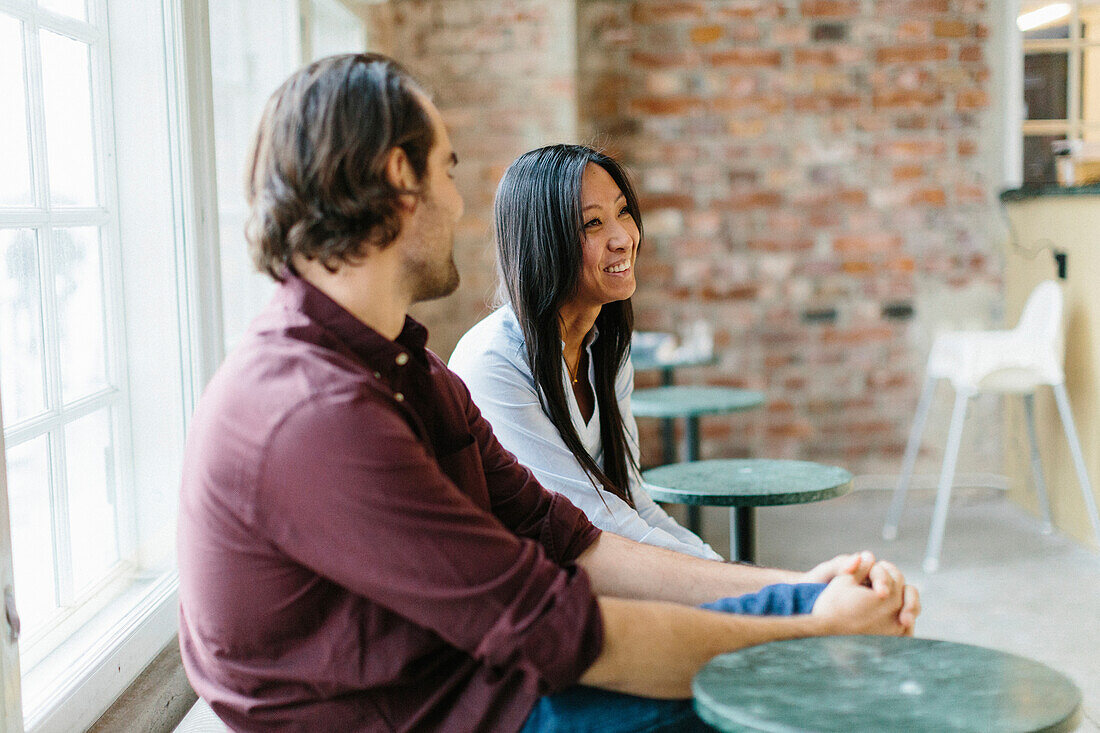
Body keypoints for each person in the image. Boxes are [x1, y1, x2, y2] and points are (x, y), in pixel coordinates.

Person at [177, 53, 920, 733]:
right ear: (400, 182)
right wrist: (810, 630)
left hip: (478, 682)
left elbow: (572, 538)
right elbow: (561, 631)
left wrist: (797, 590)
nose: (461, 203)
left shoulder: (407, 368)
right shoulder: (316, 413)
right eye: (448, 169)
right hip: (445, 712)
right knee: (811, 696)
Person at [450, 144, 722, 559]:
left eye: (623, 211)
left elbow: (631, 501)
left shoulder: (606, 347)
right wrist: (735, 583)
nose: (623, 239)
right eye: (592, 223)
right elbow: (590, 520)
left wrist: (718, 566)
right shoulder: (493, 362)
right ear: (543, 243)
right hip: (527, 589)